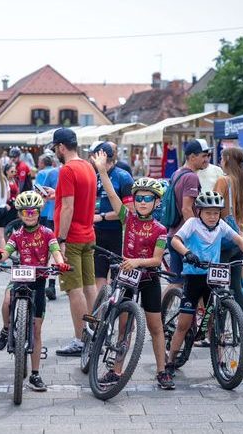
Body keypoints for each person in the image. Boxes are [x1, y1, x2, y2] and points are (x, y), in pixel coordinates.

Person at [90, 151, 174, 390]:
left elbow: (157, 260)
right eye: (139, 198)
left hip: (149, 279)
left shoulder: (159, 229)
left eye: (148, 199)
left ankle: (162, 370)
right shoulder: (127, 218)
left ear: (157, 202)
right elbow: (114, 195)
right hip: (125, 278)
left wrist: (137, 261)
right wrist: (103, 172)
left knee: (156, 327)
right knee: (124, 327)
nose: (143, 202)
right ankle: (116, 370)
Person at [166, 191, 243, 384]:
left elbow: (239, 239)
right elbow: (175, 240)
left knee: (215, 320)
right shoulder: (192, 224)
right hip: (194, 276)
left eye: (216, 212)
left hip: (213, 275)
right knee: (183, 324)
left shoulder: (220, 225)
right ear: (199, 212)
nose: (213, 216)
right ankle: (170, 363)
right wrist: (187, 253)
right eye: (208, 213)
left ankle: (220, 361)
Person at [0, 191, 71, 391]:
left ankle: (35, 374)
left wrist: (60, 264)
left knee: (36, 329)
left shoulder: (47, 233)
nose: (29, 215)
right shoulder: (16, 235)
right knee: (7, 301)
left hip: (39, 280)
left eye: (33, 211)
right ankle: (6, 328)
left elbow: (55, 251)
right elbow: (6, 252)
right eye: (25, 212)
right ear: (19, 214)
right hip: (19, 278)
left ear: (39, 212)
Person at [47, 128, 98, 357]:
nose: (56, 152)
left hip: (73, 237)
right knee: (90, 287)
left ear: (61, 147)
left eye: (55, 148)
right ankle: (96, 333)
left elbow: (68, 207)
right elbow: (74, 199)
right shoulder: (88, 166)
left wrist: (61, 240)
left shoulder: (67, 169)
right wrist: (54, 194)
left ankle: (80, 340)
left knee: (73, 290)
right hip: (88, 233)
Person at [214, 147, 243, 344]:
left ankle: (220, 332)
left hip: (222, 241)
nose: (220, 160)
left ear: (227, 160)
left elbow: (212, 208)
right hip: (240, 240)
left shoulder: (223, 180)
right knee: (236, 288)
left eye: (222, 157)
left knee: (218, 288)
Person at [163, 140, 208, 306]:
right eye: (204, 156)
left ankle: (161, 316)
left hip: (173, 233)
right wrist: (199, 233)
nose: (207, 159)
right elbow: (187, 209)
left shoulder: (177, 173)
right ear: (192, 156)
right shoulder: (191, 177)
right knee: (199, 281)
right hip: (185, 237)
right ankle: (202, 324)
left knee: (176, 280)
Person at [90, 141, 134, 292]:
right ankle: (101, 312)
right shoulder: (94, 177)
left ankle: (115, 307)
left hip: (118, 233)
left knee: (117, 276)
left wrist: (102, 217)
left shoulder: (123, 177)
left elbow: (129, 212)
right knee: (99, 275)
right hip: (97, 232)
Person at [35, 153, 60, 300]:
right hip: (70, 217)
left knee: (52, 249)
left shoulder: (51, 173)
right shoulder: (78, 169)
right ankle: (52, 282)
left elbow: (40, 191)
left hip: (51, 214)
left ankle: (50, 283)